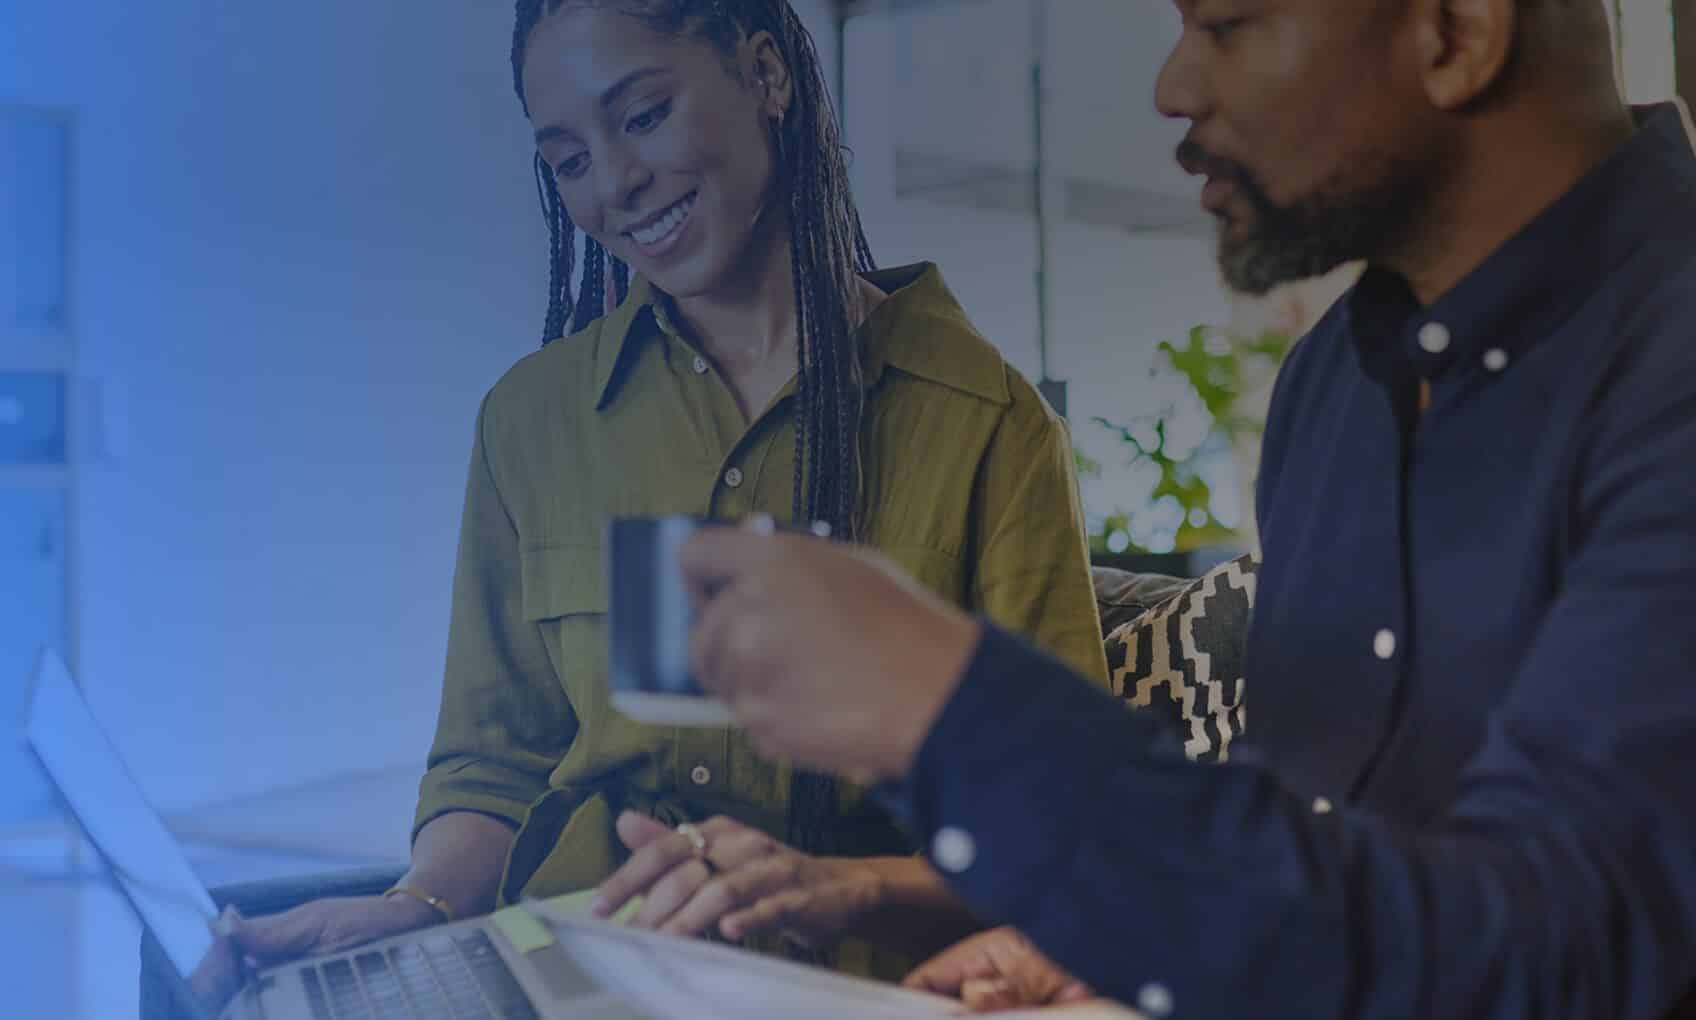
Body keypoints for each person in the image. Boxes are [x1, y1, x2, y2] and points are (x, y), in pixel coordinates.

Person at [665, 0, 1696, 1015]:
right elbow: (1306, 851)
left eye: (1227, 26)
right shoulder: (1332, 382)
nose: (1171, 88)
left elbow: (1566, 950)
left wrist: (947, 702)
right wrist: (1126, 942)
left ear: (1455, 34)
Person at [207, 0, 1108, 986]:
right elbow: (495, 762)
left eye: (641, 117)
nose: (615, 185)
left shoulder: (984, 420)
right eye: (568, 158)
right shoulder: (530, 420)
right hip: (565, 971)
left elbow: (1062, 824)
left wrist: (838, 881)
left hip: (850, 990)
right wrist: (410, 908)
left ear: (767, 77)